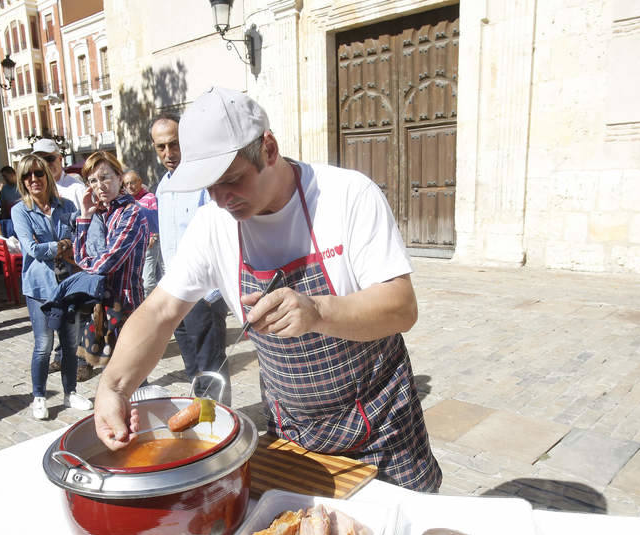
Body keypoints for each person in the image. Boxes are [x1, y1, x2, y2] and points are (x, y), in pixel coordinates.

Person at [94, 87, 442, 491]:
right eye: (209, 186)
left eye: (232, 180)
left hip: (382, 427)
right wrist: (113, 387)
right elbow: (159, 311)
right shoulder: (212, 225)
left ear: (269, 149)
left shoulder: (347, 195)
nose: (221, 199)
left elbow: (401, 306)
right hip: (294, 434)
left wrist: (318, 312)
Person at [150, 112, 229, 402]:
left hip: (202, 293)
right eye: (161, 147)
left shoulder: (206, 182)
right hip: (175, 289)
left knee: (211, 369)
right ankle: (201, 417)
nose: (168, 153)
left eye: (174, 144)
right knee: (193, 368)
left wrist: (213, 292)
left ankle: (219, 422)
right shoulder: (163, 186)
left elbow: (222, 232)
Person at [11, 153, 93, 420]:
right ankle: (39, 396)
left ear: (47, 175)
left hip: (68, 285)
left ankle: (71, 392)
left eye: (38, 173)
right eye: (27, 175)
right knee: (44, 345)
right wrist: (60, 245)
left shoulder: (65, 205)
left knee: (70, 344)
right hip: (39, 288)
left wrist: (58, 245)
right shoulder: (20, 210)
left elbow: (76, 239)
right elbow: (31, 249)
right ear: (22, 181)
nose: (33, 179)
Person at [74, 151, 151, 368]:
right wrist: (85, 216)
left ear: (119, 177)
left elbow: (107, 263)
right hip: (103, 305)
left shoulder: (131, 213)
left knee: (131, 372)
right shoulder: (100, 214)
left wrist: (87, 265)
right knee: (114, 372)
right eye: (93, 181)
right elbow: (79, 254)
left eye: (105, 177)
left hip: (126, 305)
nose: (100, 186)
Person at [32, 138, 90, 378]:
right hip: (53, 265)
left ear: (60, 159)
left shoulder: (74, 188)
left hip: (74, 261)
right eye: (40, 160)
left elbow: (87, 224)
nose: (46, 164)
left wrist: (79, 257)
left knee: (79, 313)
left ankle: (83, 360)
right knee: (59, 312)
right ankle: (62, 355)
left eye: (49, 159)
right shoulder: (39, 190)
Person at [122, 169, 160, 298]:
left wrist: (153, 236)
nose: (129, 186)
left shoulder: (150, 197)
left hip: (149, 244)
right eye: (126, 184)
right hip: (132, 246)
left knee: (148, 281)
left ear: (140, 182)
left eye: (132, 182)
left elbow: (156, 219)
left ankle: (152, 304)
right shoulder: (126, 201)